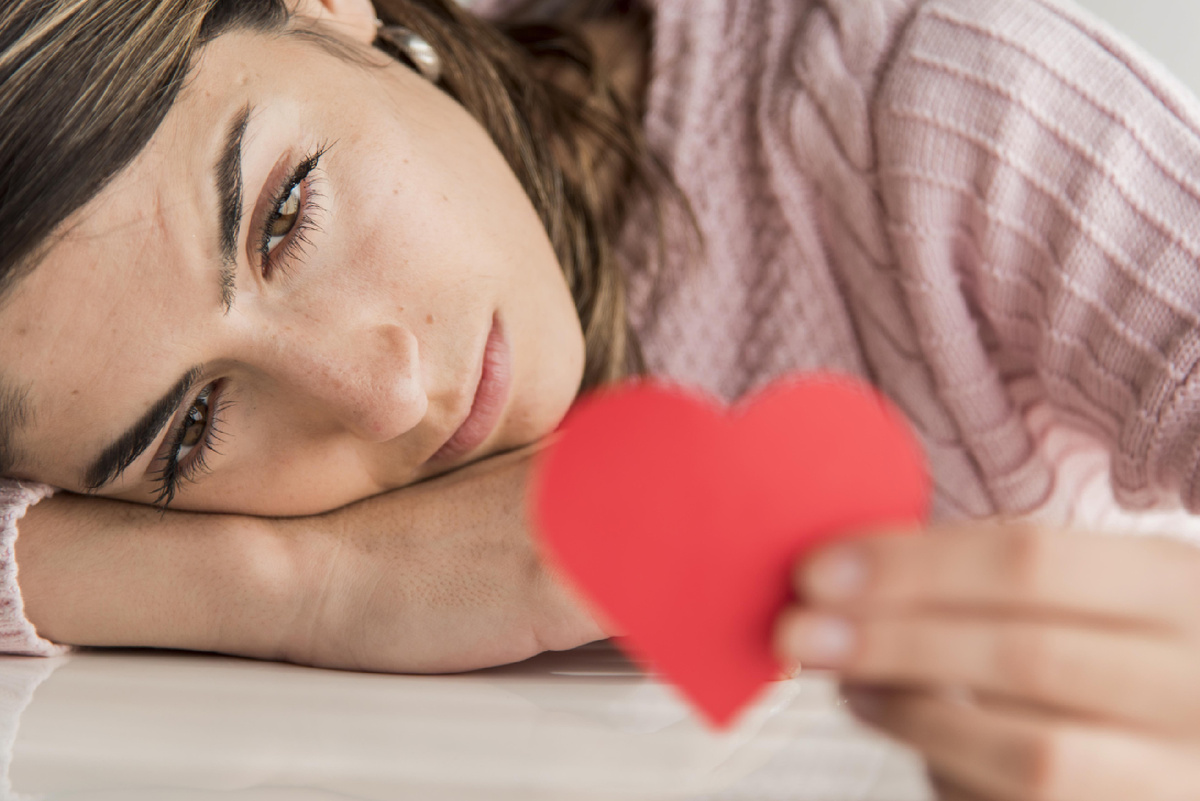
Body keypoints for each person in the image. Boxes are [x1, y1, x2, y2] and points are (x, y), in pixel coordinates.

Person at [2, 0, 1200, 797]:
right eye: (194, 427)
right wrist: (309, 586)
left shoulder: (935, 110)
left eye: (286, 215)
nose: (384, 393)